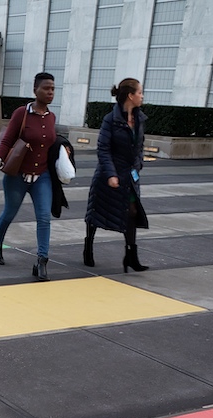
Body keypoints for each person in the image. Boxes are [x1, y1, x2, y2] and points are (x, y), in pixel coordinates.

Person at [0, 72, 57, 279]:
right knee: (9, 213)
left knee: (44, 217)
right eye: (46, 88)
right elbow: (7, 141)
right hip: (17, 175)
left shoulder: (51, 117)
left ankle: (42, 261)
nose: (50, 92)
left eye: (53, 88)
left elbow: (50, 143)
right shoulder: (21, 113)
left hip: (42, 176)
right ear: (35, 90)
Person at [84, 78, 149, 272]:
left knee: (132, 212)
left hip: (129, 177)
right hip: (108, 176)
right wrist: (111, 174)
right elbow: (103, 149)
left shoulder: (140, 119)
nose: (142, 96)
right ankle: (88, 246)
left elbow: (139, 147)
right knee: (95, 213)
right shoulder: (110, 120)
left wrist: (137, 167)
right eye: (140, 92)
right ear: (130, 95)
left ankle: (130, 255)